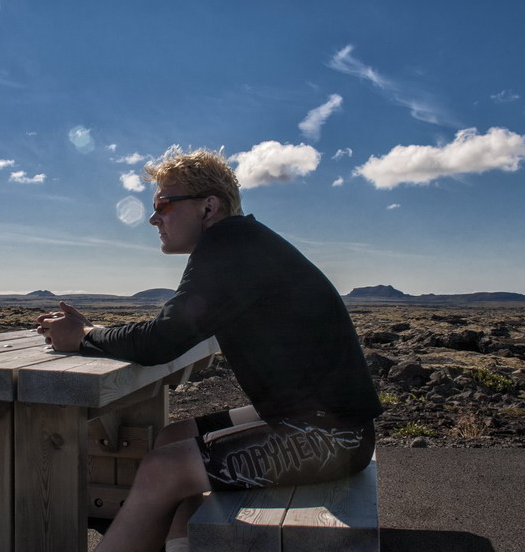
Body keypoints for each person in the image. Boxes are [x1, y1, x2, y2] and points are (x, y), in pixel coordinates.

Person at [36, 148, 382, 552]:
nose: (153, 218)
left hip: (332, 437)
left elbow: (161, 341)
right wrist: (94, 333)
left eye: (163, 204)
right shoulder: (243, 243)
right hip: (317, 418)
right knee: (173, 437)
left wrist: (83, 338)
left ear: (208, 207)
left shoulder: (229, 244)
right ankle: (180, 543)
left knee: (160, 472)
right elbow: (174, 329)